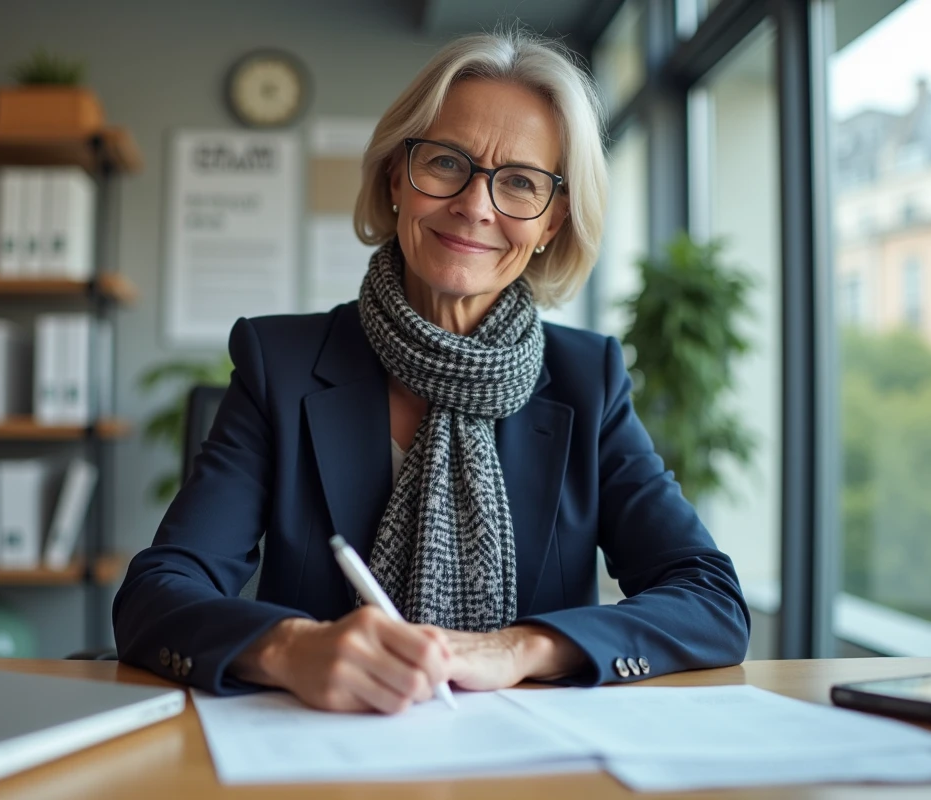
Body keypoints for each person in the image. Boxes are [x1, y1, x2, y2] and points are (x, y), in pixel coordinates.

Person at [114, 27, 750, 715]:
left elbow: (709, 601)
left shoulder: (587, 379)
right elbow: (158, 594)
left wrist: (520, 648)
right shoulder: (282, 365)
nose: (477, 206)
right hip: (316, 752)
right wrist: (290, 648)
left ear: (553, 221)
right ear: (396, 176)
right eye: (447, 163)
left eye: (521, 183)